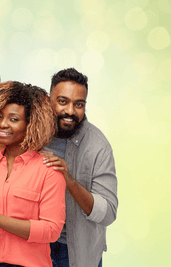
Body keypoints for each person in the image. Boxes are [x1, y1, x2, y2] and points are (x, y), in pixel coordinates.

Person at [0, 81, 66, 267]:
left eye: (14, 119)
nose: (2, 124)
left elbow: (51, 230)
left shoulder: (49, 171)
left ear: (31, 124)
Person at [43, 68, 118, 267]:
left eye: (79, 104)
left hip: (75, 251)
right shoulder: (32, 134)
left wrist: (68, 180)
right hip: (35, 246)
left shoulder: (98, 146)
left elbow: (109, 212)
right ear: (49, 99)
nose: (70, 111)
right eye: (62, 101)